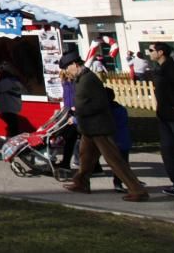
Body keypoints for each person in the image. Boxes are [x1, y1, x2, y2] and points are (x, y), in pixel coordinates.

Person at [59, 50, 148, 201]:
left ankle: (137, 190)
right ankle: (81, 183)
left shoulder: (88, 79)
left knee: (114, 159)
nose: (67, 72)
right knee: (85, 157)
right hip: (88, 127)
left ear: (74, 64)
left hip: (98, 127)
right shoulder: (81, 79)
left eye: (67, 69)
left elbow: (99, 104)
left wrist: (79, 111)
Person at [149, 42, 174, 196]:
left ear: (160, 52)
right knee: (168, 151)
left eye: (151, 50)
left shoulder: (172, 69)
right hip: (164, 116)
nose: (149, 53)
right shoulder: (160, 70)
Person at [0, 62, 24, 138]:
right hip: (13, 105)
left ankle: (14, 140)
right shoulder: (14, 80)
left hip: (9, 106)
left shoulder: (7, 81)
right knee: (13, 124)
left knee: (12, 125)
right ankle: (15, 139)